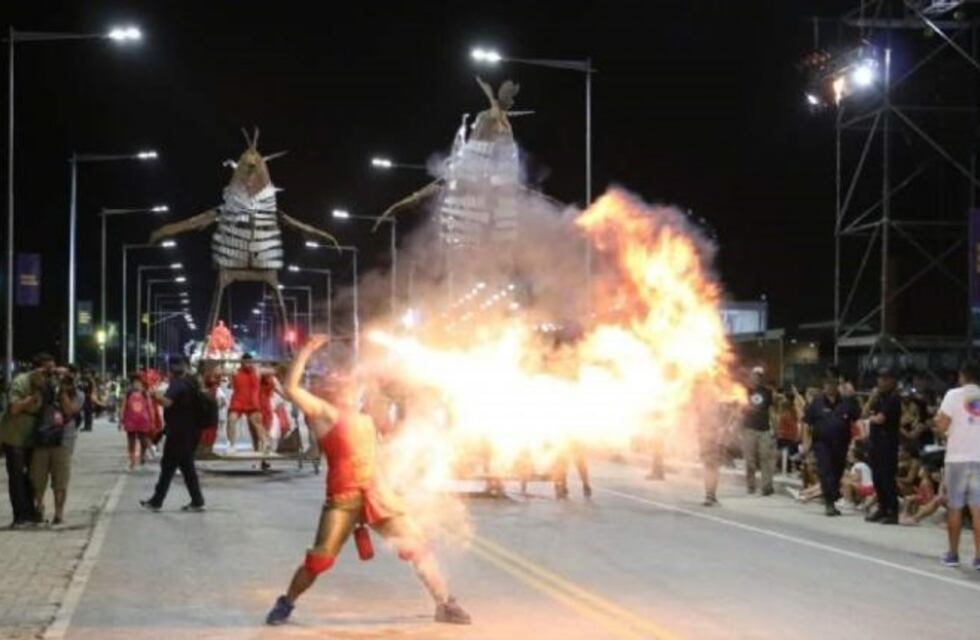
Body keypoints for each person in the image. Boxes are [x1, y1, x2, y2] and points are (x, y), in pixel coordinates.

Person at [265, 335, 471, 627]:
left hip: (378, 494)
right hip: (343, 498)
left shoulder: (366, 418)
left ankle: (444, 603)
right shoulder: (325, 414)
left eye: (354, 384)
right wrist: (307, 350)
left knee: (417, 547)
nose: (353, 388)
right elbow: (290, 388)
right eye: (346, 384)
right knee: (320, 559)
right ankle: (286, 602)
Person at [139, 357, 205, 512]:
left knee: (168, 466)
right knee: (187, 467)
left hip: (178, 433)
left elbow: (168, 402)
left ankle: (156, 501)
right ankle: (197, 500)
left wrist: (154, 396)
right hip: (190, 432)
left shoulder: (177, 384)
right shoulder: (191, 383)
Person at [932, 361, 980, 568]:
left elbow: (942, 426)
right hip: (979, 458)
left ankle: (953, 554)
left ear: (963, 375)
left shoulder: (953, 395)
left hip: (957, 458)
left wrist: (938, 426)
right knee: (978, 509)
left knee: (955, 507)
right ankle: (979, 557)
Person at [1, 353, 54, 527]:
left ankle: (32, 513)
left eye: (51, 371)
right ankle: (20, 516)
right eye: (46, 371)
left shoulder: (48, 384)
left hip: (34, 437)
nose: (48, 375)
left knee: (34, 476)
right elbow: (14, 409)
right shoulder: (21, 382)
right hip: (15, 435)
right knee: (17, 477)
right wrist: (33, 396)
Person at [30, 370, 84, 525]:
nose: (59, 381)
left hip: (63, 442)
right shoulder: (43, 390)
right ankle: (39, 508)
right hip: (41, 440)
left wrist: (62, 393)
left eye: (66, 379)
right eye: (55, 377)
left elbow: (69, 410)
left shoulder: (78, 395)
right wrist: (46, 386)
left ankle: (59, 514)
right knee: (38, 479)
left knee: (60, 482)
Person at [802, 378, 860, 516]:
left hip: (841, 444)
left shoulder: (845, 402)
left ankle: (832, 498)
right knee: (825, 471)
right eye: (827, 385)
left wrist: (853, 398)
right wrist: (805, 442)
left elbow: (857, 416)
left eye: (833, 384)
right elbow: (807, 422)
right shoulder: (817, 402)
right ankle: (829, 503)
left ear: (837, 386)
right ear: (824, 386)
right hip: (822, 444)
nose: (830, 387)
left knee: (837, 472)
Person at [865, 367, 902, 524]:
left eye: (885, 379)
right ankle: (882, 507)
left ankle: (892, 510)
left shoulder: (893, 398)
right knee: (877, 477)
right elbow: (865, 413)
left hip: (888, 444)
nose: (881, 382)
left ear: (892, 381)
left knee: (887, 477)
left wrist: (871, 417)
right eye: (880, 379)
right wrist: (871, 399)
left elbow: (880, 419)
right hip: (875, 442)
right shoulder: (879, 397)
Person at [741, 367, 775, 496]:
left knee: (765, 457)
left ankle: (767, 487)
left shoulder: (767, 392)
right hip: (749, 428)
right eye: (755, 376)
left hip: (764, 429)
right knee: (750, 460)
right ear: (751, 377)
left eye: (759, 376)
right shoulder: (745, 391)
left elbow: (771, 410)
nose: (757, 378)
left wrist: (774, 427)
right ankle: (751, 485)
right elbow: (739, 409)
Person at [227, 354, 263, 452]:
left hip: (252, 401)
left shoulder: (257, 371)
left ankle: (262, 446)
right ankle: (231, 445)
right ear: (242, 362)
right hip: (238, 400)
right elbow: (223, 373)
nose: (248, 364)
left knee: (256, 424)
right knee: (231, 420)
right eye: (246, 362)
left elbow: (273, 370)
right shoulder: (235, 372)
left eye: (249, 362)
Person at [120, 375, 154, 470]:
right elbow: (123, 406)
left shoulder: (145, 394)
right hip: (130, 421)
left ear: (142, 384)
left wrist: (152, 420)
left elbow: (150, 407)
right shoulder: (128, 394)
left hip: (143, 421)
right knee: (131, 441)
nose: (136, 384)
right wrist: (121, 419)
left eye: (138, 383)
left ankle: (142, 454)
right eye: (135, 383)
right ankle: (132, 460)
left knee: (143, 441)